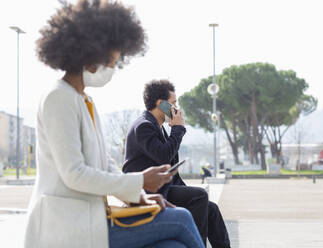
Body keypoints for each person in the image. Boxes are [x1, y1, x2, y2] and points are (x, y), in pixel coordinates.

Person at [24, 1, 204, 248]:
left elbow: (105, 164)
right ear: (88, 53)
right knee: (182, 219)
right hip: (68, 227)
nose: (112, 68)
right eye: (110, 61)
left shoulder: (84, 100)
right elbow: (74, 174)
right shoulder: (59, 97)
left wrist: (141, 196)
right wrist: (139, 181)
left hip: (91, 219)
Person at [123, 79, 231, 247]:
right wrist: (178, 129)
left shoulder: (157, 127)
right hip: (148, 192)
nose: (176, 108)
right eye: (173, 103)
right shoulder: (144, 126)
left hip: (164, 188)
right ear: (160, 104)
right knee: (199, 196)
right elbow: (164, 156)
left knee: (212, 210)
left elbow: (168, 159)